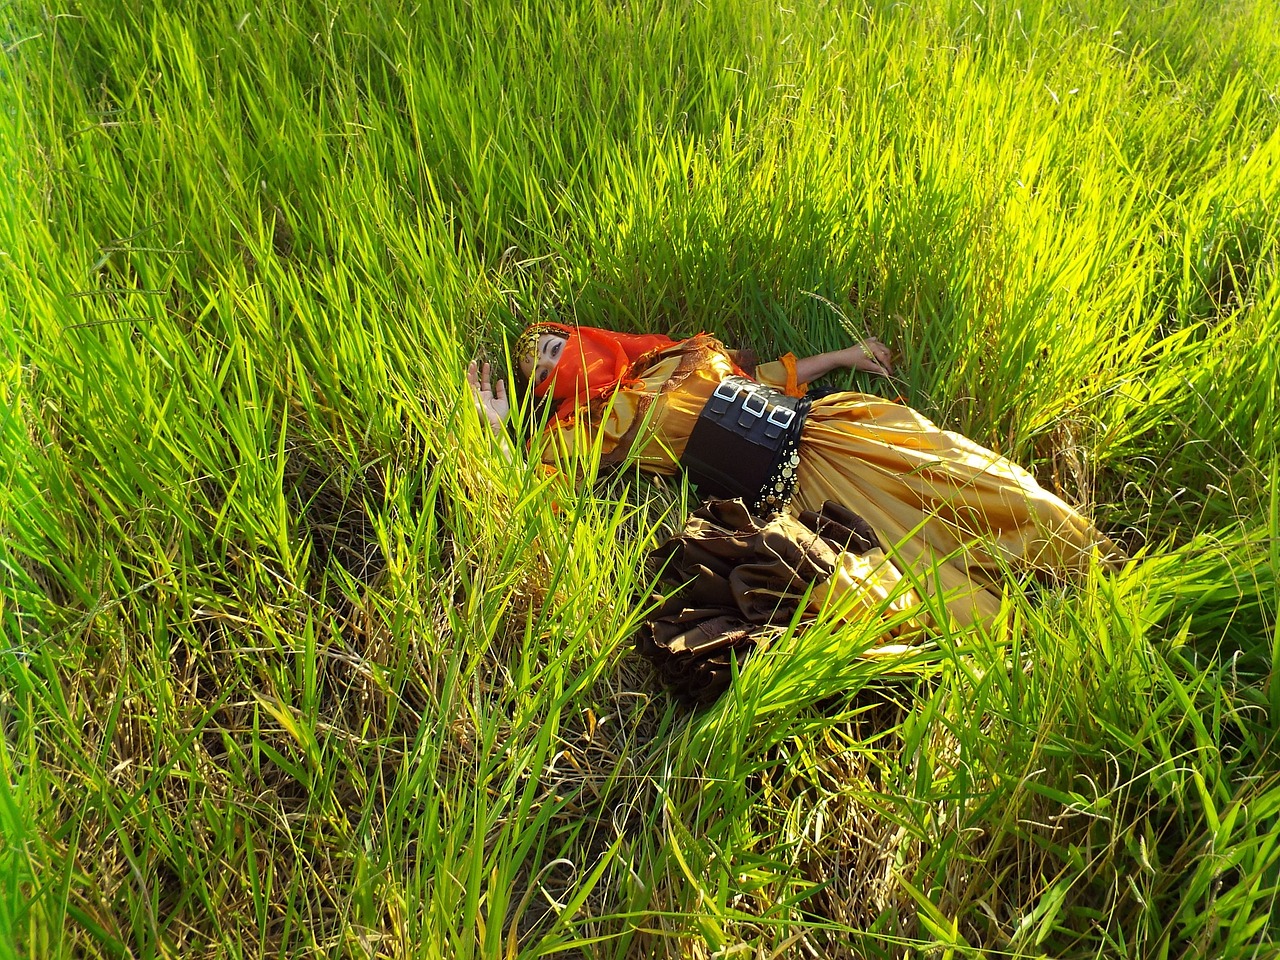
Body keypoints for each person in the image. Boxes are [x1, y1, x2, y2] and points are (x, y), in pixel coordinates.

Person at [467, 322, 1119, 629]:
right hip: (793, 488)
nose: (554, 358)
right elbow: (540, 497)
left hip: (826, 428)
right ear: (540, 392)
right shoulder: (587, 426)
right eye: (540, 366)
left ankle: (1090, 560)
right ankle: (1029, 638)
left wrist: (844, 356)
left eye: (555, 343)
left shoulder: (668, 359)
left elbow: (760, 382)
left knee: (959, 472)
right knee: (917, 572)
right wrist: (499, 437)